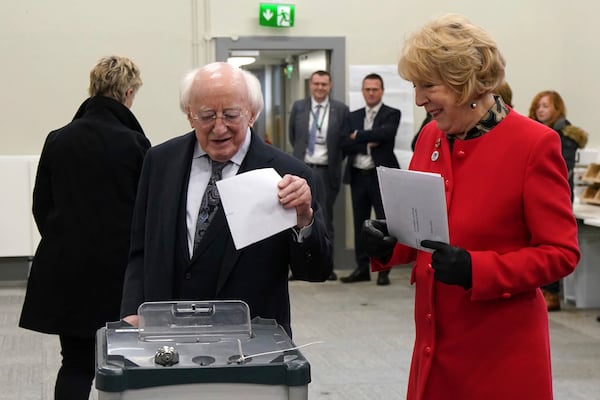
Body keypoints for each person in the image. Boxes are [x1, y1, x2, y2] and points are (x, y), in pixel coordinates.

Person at [362, 14, 580, 400]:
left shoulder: (533, 145)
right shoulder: (431, 135)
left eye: (428, 86)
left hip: (500, 358)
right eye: (415, 86)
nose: (418, 99)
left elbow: (561, 253)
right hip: (434, 352)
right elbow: (420, 231)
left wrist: (478, 269)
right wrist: (389, 244)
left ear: (467, 82)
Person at [119, 62, 333, 338]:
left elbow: (316, 271)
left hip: (250, 344)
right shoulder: (160, 162)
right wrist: (132, 309)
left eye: (231, 115)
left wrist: (304, 219)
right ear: (189, 115)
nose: (219, 128)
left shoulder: (290, 175)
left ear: (252, 114)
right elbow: (140, 249)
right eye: (206, 115)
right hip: (166, 337)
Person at [19, 55, 150, 400]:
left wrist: (66, 241)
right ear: (128, 91)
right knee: (126, 362)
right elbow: (146, 214)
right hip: (120, 276)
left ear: (92, 89)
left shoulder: (58, 139)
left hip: (68, 272)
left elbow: (41, 205)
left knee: (75, 364)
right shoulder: (136, 145)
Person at [528, 90, 588, 311]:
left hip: (558, 196)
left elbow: (562, 173)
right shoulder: (537, 134)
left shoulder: (566, 139)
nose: (541, 110)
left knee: (552, 245)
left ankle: (551, 293)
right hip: (541, 194)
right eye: (538, 106)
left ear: (557, 108)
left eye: (545, 106)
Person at [289, 70, 351, 280]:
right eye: (316, 84)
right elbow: (293, 137)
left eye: (324, 84)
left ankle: (327, 267)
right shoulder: (299, 107)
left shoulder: (340, 110)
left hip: (326, 172)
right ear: (310, 85)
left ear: (330, 86)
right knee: (295, 218)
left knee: (325, 220)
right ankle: (297, 267)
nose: (319, 88)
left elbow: (343, 143)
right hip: (303, 170)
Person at [340, 73, 401, 286]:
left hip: (380, 177)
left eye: (375, 89)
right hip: (358, 176)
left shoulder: (392, 113)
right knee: (360, 224)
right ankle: (362, 268)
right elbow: (344, 143)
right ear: (363, 91)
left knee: (384, 224)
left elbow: (386, 135)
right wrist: (369, 139)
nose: (371, 93)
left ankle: (384, 269)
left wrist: (358, 136)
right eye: (367, 89)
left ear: (382, 91)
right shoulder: (353, 115)